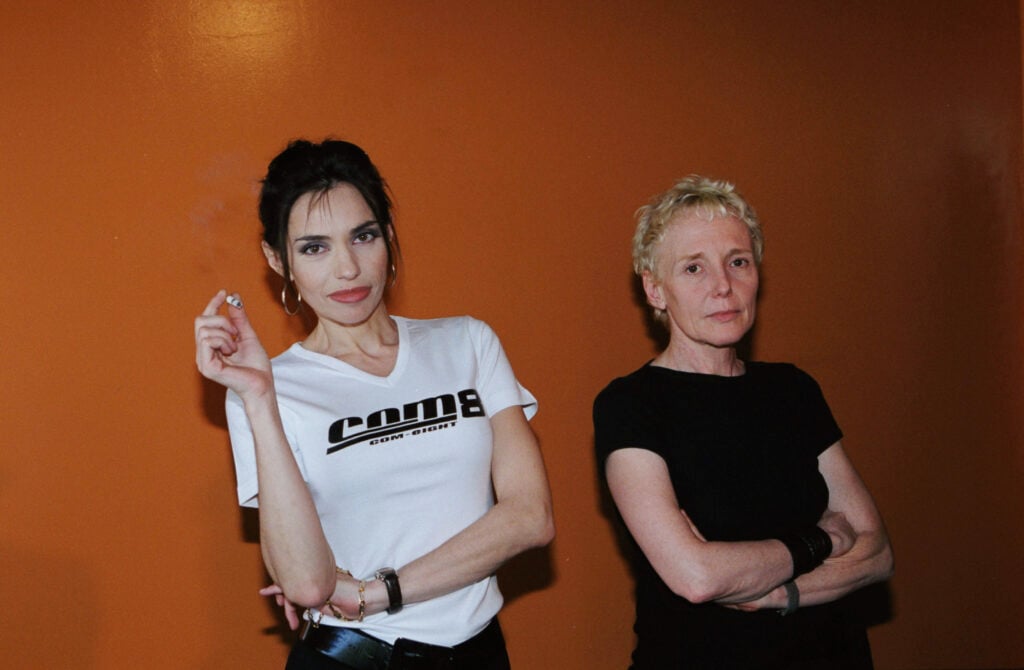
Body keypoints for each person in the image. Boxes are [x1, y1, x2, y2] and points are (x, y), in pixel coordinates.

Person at [194, 139, 554, 670]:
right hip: (350, 659)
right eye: (315, 247)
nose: (348, 269)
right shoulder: (270, 387)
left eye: (362, 236)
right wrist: (260, 398)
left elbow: (530, 516)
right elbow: (306, 582)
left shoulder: (467, 343)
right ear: (278, 259)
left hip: (479, 653)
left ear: (387, 236)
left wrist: (377, 593)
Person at [593, 175, 893, 669]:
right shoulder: (630, 404)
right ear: (655, 290)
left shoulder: (793, 389)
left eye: (738, 261)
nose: (723, 286)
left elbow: (879, 554)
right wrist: (824, 540)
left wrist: (779, 593)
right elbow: (697, 577)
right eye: (694, 268)